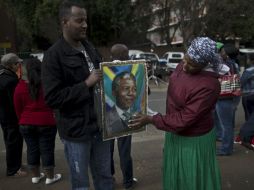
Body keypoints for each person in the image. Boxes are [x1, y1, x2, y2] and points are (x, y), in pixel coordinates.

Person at [129, 37, 222, 190]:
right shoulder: (185, 64)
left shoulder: (209, 86)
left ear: (204, 64)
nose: (184, 66)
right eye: (185, 60)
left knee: (191, 178)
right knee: (176, 175)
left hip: (193, 140)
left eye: (192, 64)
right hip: (174, 131)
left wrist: (152, 119)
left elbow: (185, 119)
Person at [41, 1, 113, 190]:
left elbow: (102, 78)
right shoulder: (53, 56)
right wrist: (86, 84)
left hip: (101, 127)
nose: (85, 25)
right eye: (79, 20)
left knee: (105, 177)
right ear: (65, 22)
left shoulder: (89, 47)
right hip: (76, 133)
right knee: (81, 184)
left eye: (86, 20)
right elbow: (52, 98)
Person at [13, 58, 61, 184]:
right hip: (46, 122)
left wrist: (22, 119)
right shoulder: (47, 85)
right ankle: (50, 177)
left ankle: (35, 177)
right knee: (47, 149)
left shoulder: (20, 87)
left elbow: (17, 108)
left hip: (26, 123)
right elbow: (55, 103)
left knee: (31, 149)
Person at [108, 44, 138, 190]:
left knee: (107, 150)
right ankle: (127, 181)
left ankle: (109, 178)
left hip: (107, 115)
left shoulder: (104, 69)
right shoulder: (132, 69)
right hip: (126, 116)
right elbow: (146, 91)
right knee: (125, 150)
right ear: (126, 55)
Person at [0, 53, 26, 177]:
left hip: (4, 115)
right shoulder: (11, 80)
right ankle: (13, 169)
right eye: (17, 63)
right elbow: (15, 102)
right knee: (14, 142)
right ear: (11, 65)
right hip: (11, 117)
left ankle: (16, 164)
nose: (19, 65)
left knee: (10, 141)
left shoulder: (2, 76)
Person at [214, 42, 240, 156]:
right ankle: (228, 147)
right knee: (229, 124)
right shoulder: (234, 65)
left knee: (226, 125)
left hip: (224, 97)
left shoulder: (225, 66)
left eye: (222, 52)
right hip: (232, 96)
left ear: (227, 55)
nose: (220, 54)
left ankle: (226, 149)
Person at [106, 71, 137, 137]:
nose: (131, 93)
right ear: (114, 93)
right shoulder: (106, 119)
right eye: (126, 88)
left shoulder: (137, 115)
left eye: (134, 89)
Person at [234, 53, 254, 148]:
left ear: (251, 60)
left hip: (248, 96)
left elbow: (241, 82)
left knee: (249, 116)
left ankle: (248, 137)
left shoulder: (248, 70)